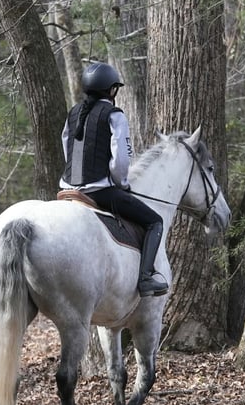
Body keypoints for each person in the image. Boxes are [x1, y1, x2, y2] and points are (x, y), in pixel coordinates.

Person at [59, 62, 169, 297]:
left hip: (67, 190)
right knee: (155, 221)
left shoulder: (73, 113)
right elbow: (120, 160)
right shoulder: (114, 115)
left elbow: (67, 148)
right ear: (111, 90)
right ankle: (146, 278)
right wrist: (122, 184)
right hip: (99, 191)